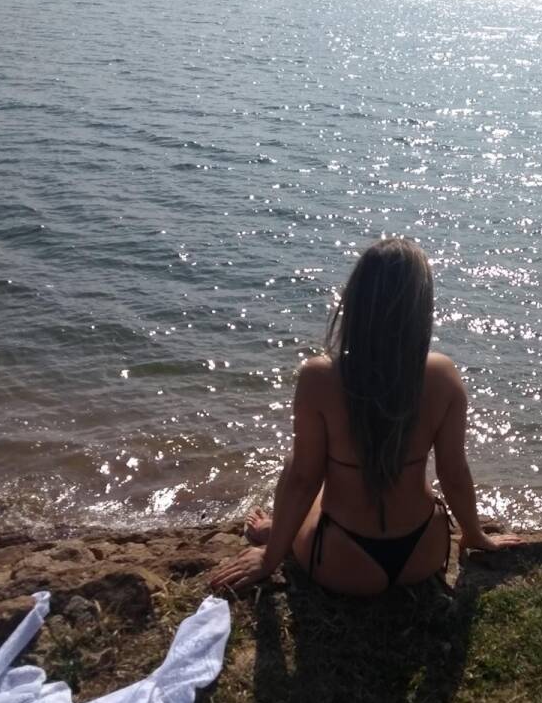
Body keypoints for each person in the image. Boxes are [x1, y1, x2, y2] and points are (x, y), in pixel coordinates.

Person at [209, 236, 523, 596]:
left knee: (303, 464)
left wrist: (269, 558)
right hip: (422, 553)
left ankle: (274, 531)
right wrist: (475, 534)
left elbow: (302, 480)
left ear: (355, 299)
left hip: (342, 559)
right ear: (421, 306)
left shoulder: (320, 376)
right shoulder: (442, 374)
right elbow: (453, 472)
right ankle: (281, 529)